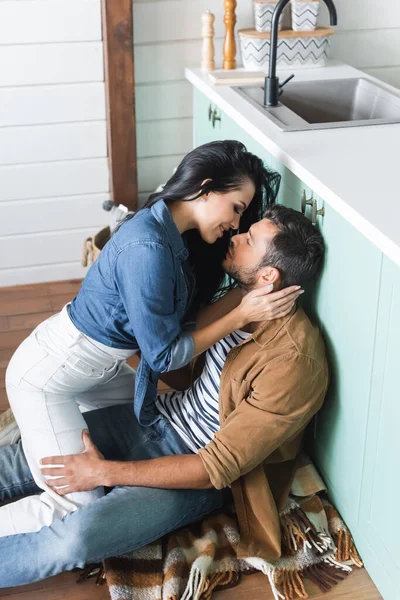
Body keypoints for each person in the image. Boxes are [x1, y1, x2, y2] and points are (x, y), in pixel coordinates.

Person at [0, 204, 328, 587]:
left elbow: (214, 468)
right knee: (20, 462)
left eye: (248, 239)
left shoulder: (294, 362)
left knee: (77, 535)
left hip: (193, 468)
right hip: (158, 418)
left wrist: (104, 472)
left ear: (268, 276)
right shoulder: (241, 300)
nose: (235, 236)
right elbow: (178, 359)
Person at [2, 140, 302, 537]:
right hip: (48, 378)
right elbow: (162, 357)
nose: (236, 224)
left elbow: (177, 331)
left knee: (149, 423)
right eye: (236, 208)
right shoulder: (148, 246)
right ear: (206, 188)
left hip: (98, 369)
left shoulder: (170, 234)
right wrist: (240, 316)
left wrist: (242, 298)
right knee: (73, 505)